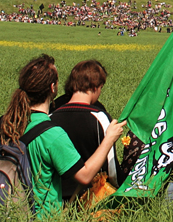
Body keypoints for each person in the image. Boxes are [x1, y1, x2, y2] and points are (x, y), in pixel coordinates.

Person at [0, 54, 124, 217]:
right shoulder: (52, 133)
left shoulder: (3, 124)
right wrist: (109, 139)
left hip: (2, 211)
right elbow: (84, 176)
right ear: (52, 87)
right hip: (41, 219)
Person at [49, 59, 126, 203]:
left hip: (57, 200)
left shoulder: (51, 117)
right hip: (91, 199)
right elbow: (111, 168)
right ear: (96, 87)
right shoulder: (100, 117)